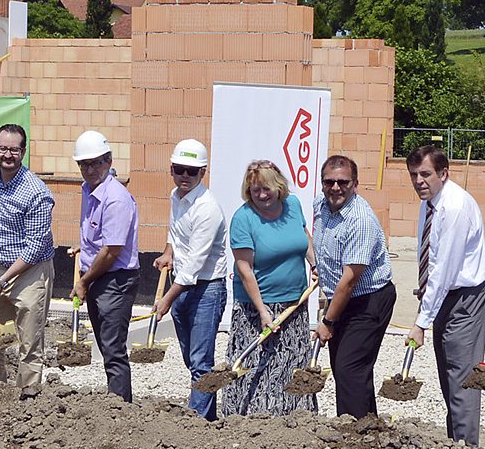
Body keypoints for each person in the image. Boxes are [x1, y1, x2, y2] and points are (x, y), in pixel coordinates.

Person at [406, 145, 485, 446]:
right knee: (449, 379)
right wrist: (425, 296)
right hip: (444, 297)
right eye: (414, 175)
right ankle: (455, 445)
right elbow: (429, 255)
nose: (419, 181)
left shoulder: (454, 207)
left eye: (426, 174)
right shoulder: (429, 203)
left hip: (466, 300)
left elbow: (445, 269)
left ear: (443, 173)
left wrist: (421, 322)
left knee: (462, 382)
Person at [221, 159, 316, 416]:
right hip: (256, 308)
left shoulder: (293, 206)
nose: (261, 195)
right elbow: (244, 269)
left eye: (266, 189)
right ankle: (249, 421)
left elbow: (304, 239)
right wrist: (262, 311)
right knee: (256, 367)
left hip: (294, 304)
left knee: (291, 363)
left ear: (279, 187)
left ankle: (294, 419)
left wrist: (316, 265)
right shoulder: (243, 219)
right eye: (255, 190)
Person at [0, 123, 55, 399]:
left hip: (31, 272)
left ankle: (28, 400)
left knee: (29, 341)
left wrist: (3, 281)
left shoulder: (37, 193)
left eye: (14, 150)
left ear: (23, 152)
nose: (8, 155)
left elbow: (33, 248)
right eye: (2, 149)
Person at [312, 155, 396, 419]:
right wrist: (319, 265)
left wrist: (327, 321)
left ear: (355, 184)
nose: (335, 187)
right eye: (329, 182)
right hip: (344, 297)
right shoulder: (322, 205)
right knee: (347, 368)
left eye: (343, 182)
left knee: (349, 368)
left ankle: (352, 434)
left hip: (368, 300)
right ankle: (367, 425)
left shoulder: (360, 220)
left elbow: (349, 281)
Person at [153, 139, 228, 420]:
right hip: (182, 284)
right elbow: (175, 232)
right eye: (180, 169)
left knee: (200, 362)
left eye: (192, 171)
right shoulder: (176, 196)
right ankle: (207, 416)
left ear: (203, 173)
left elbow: (195, 264)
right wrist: (168, 253)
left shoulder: (207, 209)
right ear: (171, 169)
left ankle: (196, 423)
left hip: (207, 287)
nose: (185, 176)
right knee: (191, 359)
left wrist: (165, 300)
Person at [70, 130, 140, 403]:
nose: (89, 169)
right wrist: (84, 249)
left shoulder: (116, 198)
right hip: (98, 277)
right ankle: (115, 402)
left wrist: (84, 281)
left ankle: (120, 408)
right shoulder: (89, 190)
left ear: (109, 161)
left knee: (113, 350)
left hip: (115, 280)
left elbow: (111, 251)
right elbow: (97, 237)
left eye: (95, 163)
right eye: (83, 164)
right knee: (105, 344)